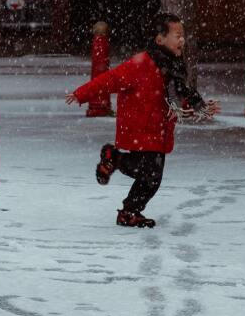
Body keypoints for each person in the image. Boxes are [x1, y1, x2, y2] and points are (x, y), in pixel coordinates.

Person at [66, 13, 220, 228]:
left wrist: (199, 108)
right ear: (160, 39)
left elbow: (173, 100)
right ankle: (116, 165)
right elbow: (109, 80)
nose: (182, 40)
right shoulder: (141, 64)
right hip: (141, 129)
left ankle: (128, 208)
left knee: (151, 178)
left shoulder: (174, 68)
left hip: (159, 130)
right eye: (177, 35)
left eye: (182, 35)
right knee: (149, 175)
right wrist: (81, 94)